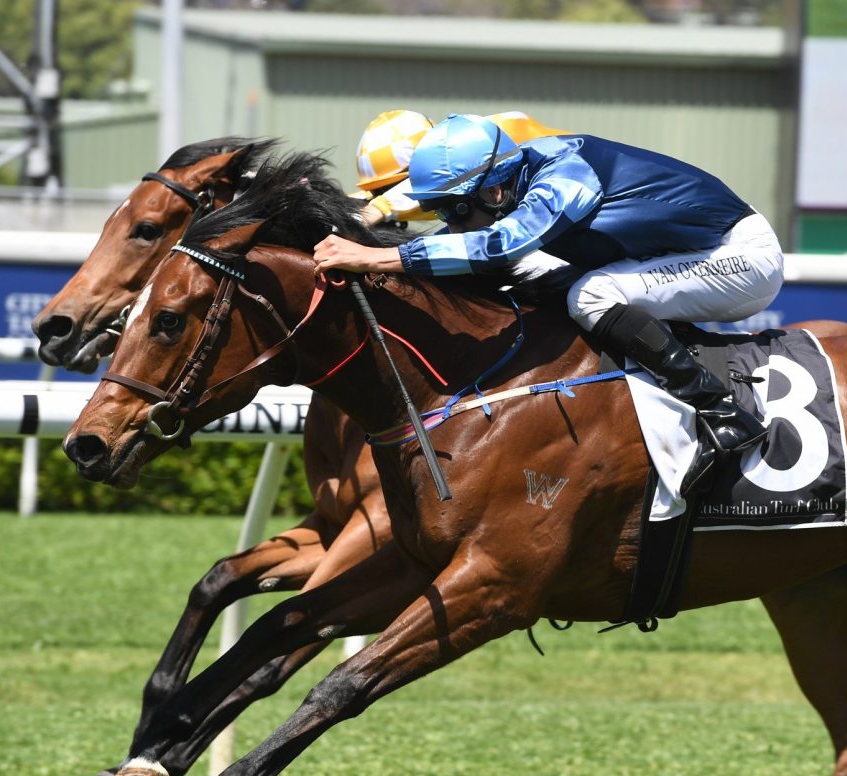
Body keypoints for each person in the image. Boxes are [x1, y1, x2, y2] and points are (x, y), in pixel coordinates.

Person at [313, 113, 783, 493]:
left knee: (590, 294)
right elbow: (471, 237)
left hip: (739, 259)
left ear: (495, 191)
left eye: (454, 212)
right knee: (543, 281)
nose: (450, 226)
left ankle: (721, 413)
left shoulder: (565, 176)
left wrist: (378, 255)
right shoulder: (509, 173)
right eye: (442, 214)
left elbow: (498, 245)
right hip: (678, 254)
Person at [350, 109, 569, 228]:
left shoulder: (488, 137)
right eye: (382, 190)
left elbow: (386, 201)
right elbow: (368, 199)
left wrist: (379, 208)